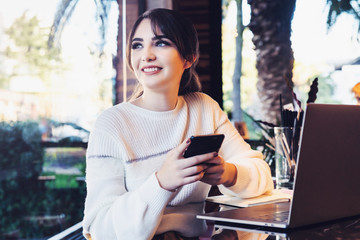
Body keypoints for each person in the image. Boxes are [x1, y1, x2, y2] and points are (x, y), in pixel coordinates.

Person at [82, 8, 273, 240]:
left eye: (161, 43)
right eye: (137, 45)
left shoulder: (203, 108)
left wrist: (229, 173)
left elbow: (263, 176)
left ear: (189, 57)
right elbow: (99, 229)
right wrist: (162, 182)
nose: (147, 55)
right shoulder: (111, 125)